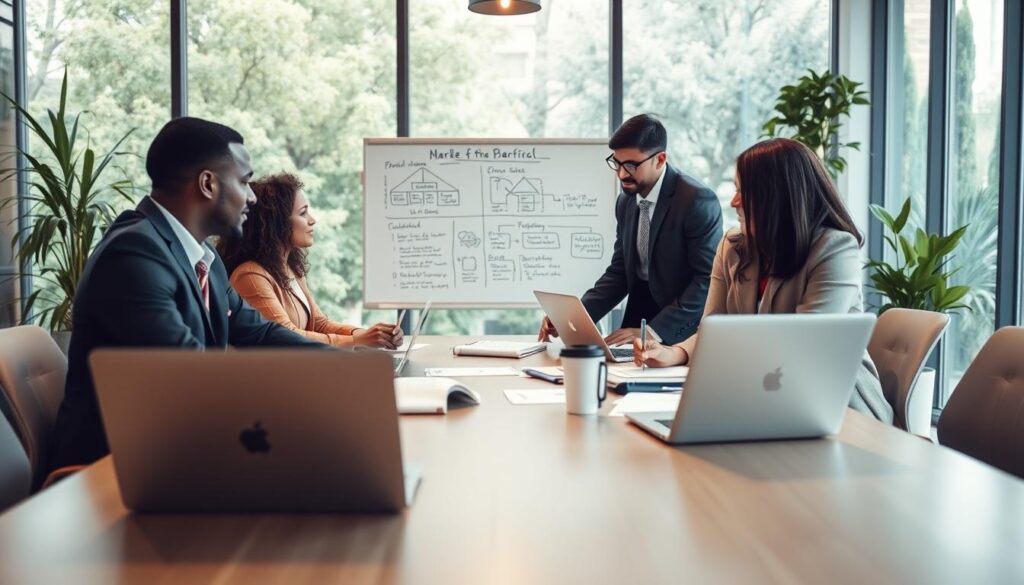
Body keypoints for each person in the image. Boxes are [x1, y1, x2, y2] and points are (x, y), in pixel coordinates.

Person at [49, 117, 329, 471]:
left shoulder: (204, 258)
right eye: (244, 181)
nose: (253, 197)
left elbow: (259, 332)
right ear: (208, 183)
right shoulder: (134, 254)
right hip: (113, 473)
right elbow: (191, 373)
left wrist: (349, 366)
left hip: (178, 449)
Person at [634, 138, 894, 422]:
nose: (734, 202)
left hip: (840, 410)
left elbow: (803, 349)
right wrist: (674, 353)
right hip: (761, 399)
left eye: (744, 192)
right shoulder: (733, 247)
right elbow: (713, 331)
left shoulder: (834, 249)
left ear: (778, 197)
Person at [538, 114, 723, 346]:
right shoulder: (626, 201)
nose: (622, 174)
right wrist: (572, 318)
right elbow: (620, 272)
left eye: (631, 165)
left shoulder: (696, 200)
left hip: (680, 325)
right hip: (639, 314)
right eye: (617, 163)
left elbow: (707, 278)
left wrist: (654, 332)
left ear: (660, 159)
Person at [218, 173, 403, 348]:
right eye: (303, 213)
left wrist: (370, 334)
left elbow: (320, 324)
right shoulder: (250, 275)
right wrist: (359, 339)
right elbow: (286, 336)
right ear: (277, 222)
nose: (312, 220)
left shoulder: (289, 268)